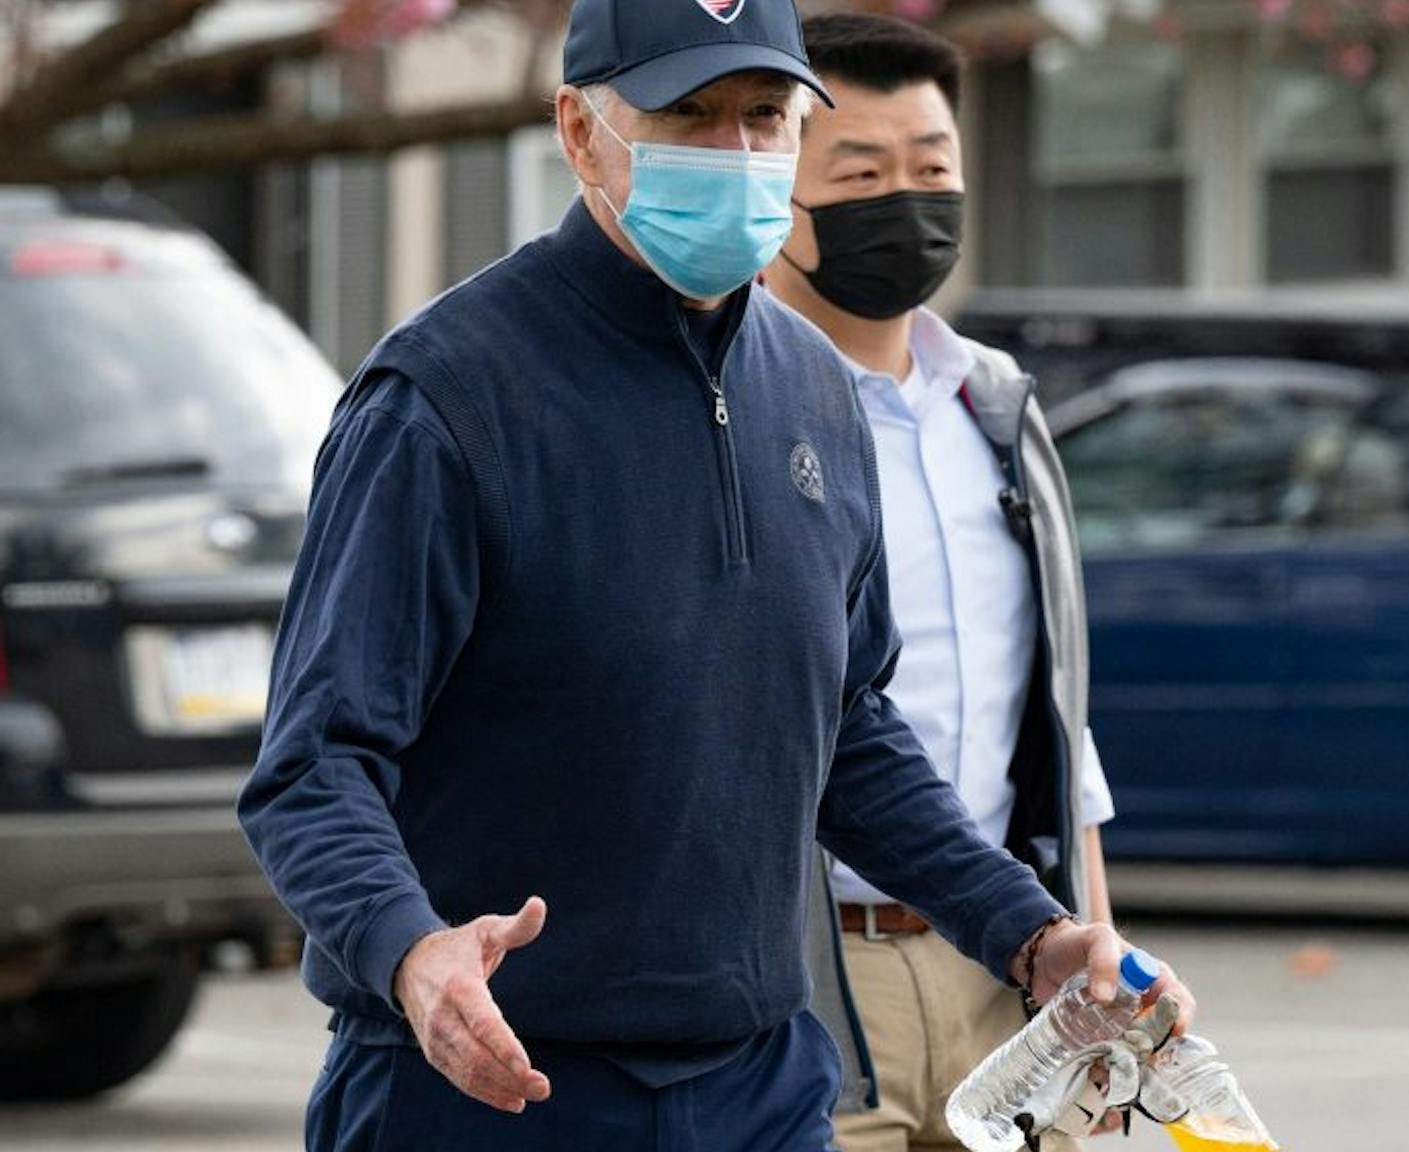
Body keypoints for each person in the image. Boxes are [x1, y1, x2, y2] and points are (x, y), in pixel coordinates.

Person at [236, 0, 1193, 1145]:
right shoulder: (445, 400)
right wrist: (407, 952)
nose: (736, 154)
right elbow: (314, 764)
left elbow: (847, 727)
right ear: (581, 133)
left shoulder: (814, 388)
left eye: (764, 116)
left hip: (759, 1083)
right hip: (486, 1086)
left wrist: (1030, 933)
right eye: (689, 116)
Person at [761, 15, 1121, 1151]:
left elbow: (1057, 723)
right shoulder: (727, 412)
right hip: (809, 974)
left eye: (931, 168)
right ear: (771, 184)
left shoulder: (998, 412)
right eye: (859, 174)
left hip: (1010, 966)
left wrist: (1093, 948)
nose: (904, 201)